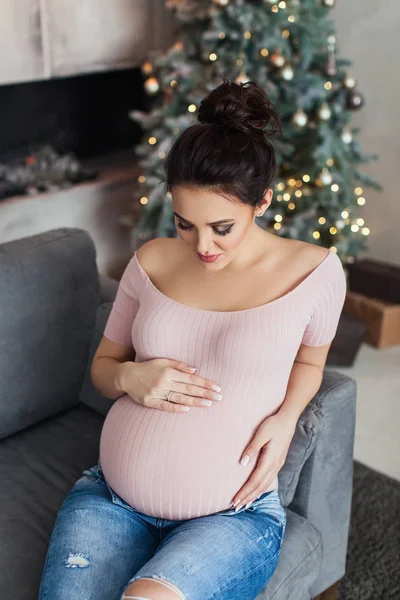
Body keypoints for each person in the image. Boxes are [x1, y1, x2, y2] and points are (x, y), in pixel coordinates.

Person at [38, 78, 347, 600]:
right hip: (110, 497)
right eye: (185, 224)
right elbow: (103, 367)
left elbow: (310, 363)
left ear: (263, 202)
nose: (202, 245)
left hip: (231, 516)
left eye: (221, 227)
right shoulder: (151, 260)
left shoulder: (314, 274)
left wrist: (286, 417)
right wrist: (131, 376)